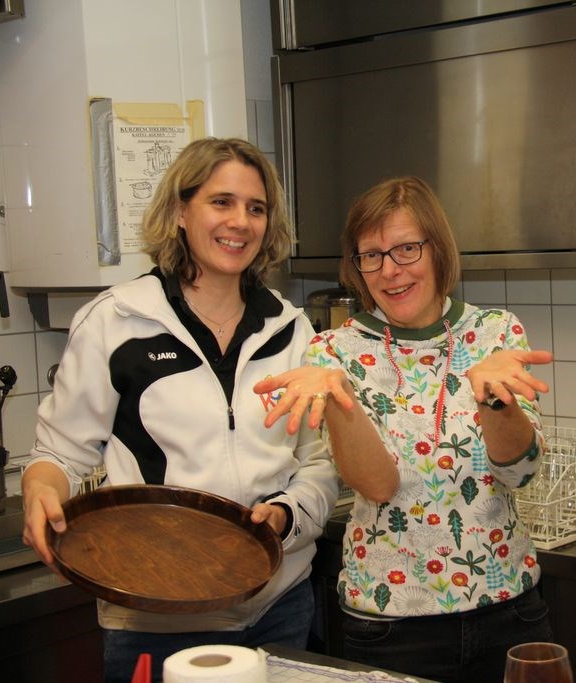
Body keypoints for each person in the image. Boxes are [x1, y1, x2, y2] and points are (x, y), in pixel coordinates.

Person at [21, 137, 338, 683]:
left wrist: (286, 517)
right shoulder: (117, 321)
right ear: (179, 212)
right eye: (221, 202)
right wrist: (40, 491)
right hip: (154, 617)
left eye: (256, 208)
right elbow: (59, 455)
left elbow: (319, 463)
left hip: (279, 608)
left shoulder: (291, 330)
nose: (240, 222)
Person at [253, 176, 555, 683]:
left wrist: (495, 400)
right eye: (371, 256)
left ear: (438, 249)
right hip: (392, 625)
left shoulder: (497, 333)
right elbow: (378, 486)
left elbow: (520, 474)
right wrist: (341, 399)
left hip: (508, 608)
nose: (390, 271)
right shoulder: (333, 352)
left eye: (407, 249)